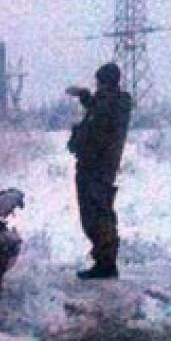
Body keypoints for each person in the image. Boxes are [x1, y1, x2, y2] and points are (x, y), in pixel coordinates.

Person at [66, 62, 132, 279]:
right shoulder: (114, 103)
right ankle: (105, 260)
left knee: (96, 215)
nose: (97, 86)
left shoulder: (107, 106)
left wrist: (76, 140)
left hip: (94, 167)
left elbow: (94, 133)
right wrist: (85, 97)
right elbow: (99, 109)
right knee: (101, 212)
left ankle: (105, 263)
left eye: (99, 82)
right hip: (102, 167)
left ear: (105, 82)